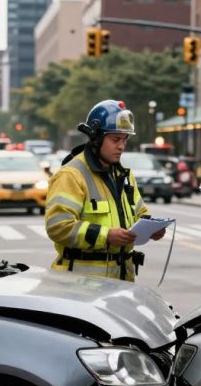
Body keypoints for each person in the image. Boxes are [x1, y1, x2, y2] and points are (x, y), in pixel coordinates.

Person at [44, 99, 165, 281]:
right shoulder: (72, 175)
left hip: (122, 282)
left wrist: (152, 228)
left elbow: (140, 213)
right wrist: (106, 235)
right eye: (115, 139)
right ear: (97, 138)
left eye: (125, 139)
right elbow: (58, 226)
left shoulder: (124, 175)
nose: (121, 146)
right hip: (79, 286)